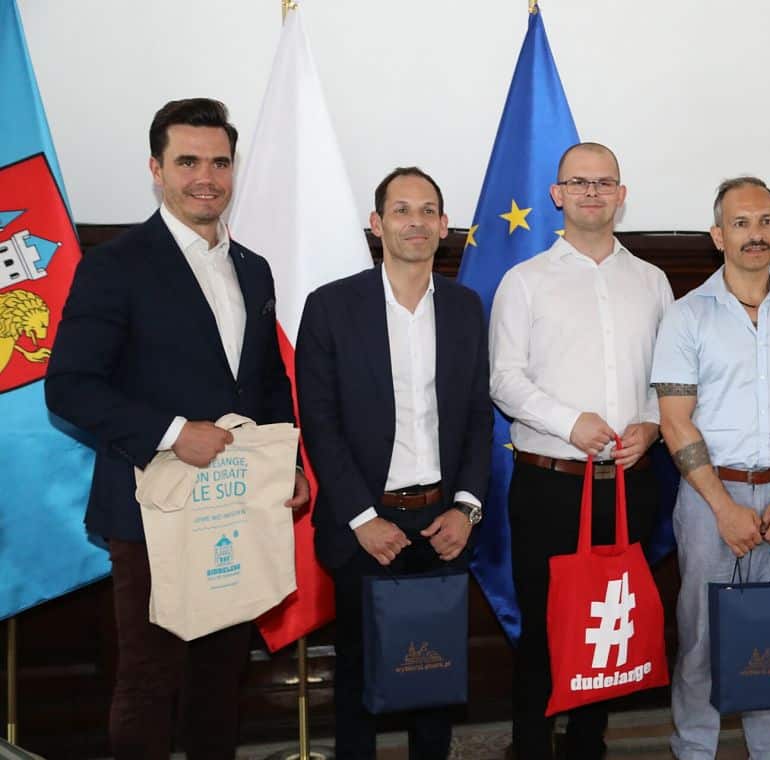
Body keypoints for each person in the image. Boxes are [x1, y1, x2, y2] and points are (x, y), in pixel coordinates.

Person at [44, 98, 309, 759]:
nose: (206, 178)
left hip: (235, 507)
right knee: (150, 682)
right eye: (188, 162)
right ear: (156, 169)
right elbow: (69, 386)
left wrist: (289, 465)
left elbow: (267, 383)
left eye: (220, 162)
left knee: (220, 681)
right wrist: (171, 432)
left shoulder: (253, 268)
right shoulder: (115, 264)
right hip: (150, 511)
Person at [294, 167, 492, 760]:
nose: (416, 222)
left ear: (444, 225)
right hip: (365, 527)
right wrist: (361, 518)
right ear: (376, 224)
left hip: (442, 524)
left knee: (435, 678)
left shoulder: (465, 307)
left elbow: (477, 416)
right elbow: (320, 422)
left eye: (428, 210)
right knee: (359, 677)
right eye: (401, 210)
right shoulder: (331, 307)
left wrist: (466, 509)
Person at [489, 142, 674, 760]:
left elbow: (671, 378)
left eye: (603, 182)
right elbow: (504, 380)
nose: (591, 192)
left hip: (629, 484)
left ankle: (588, 744)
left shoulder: (652, 281)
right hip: (550, 484)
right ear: (557, 195)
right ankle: (530, 745)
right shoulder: (525, 281)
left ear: (622, 194)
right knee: (545, 626)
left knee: (608, 624)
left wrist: (652, 424)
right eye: (578, 182)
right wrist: (570, 424)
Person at [652, 177, 770, 760]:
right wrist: (724, 508)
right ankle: (695, 749)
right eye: (740, 223)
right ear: (718, 235)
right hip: (710, 499)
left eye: (765, 221)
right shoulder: (687, 316)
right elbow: (675, 422)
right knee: (702, 636)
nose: (755, 234)